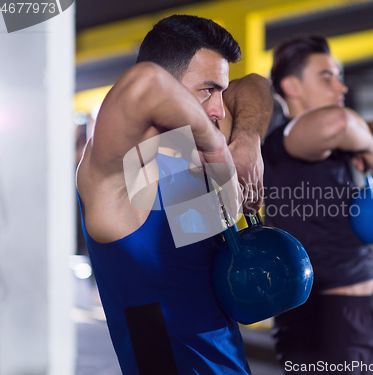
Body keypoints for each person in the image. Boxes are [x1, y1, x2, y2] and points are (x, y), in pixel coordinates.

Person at [76, 15, 272, 374]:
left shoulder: (184, 145)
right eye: (207, 89)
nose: (219, 108)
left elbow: (255, 86)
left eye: (221, 92)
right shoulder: (124, 171)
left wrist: (246, 141)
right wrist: (216, 148)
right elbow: (145, 82)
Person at [262, 35, 373, 373]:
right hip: (327, 315)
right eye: (328, 77)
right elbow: (341, 123)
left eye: (340, 76)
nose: (341, 88)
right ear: (291, 86)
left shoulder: (337, 140)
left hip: (341, 310)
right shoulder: (289, 138)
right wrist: (370, 149)